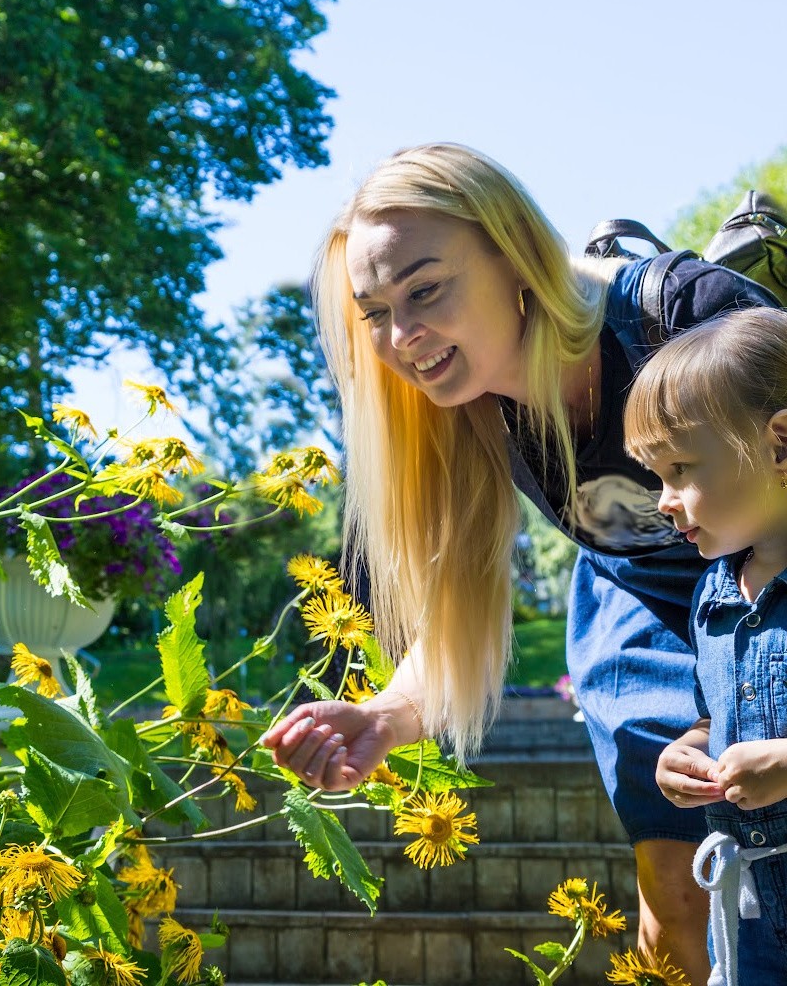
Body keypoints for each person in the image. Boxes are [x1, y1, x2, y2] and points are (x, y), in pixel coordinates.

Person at [258, 143, 778, 982]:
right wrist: (386, 717)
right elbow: (459, 607)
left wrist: (739, 693)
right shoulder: (464, 416)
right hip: (635, 595)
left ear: (514, 253)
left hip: (773, 587)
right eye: (375, 312)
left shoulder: (689, 316)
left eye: (424, 290)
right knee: (674, 903)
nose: (402, 336)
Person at [625, 307, 787, 986]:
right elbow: (711, 712)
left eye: (680, 468)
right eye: (654, 475)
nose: (663, 501)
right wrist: (684, 753)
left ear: (780, 445)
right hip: (748, 916)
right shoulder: (713, 595)